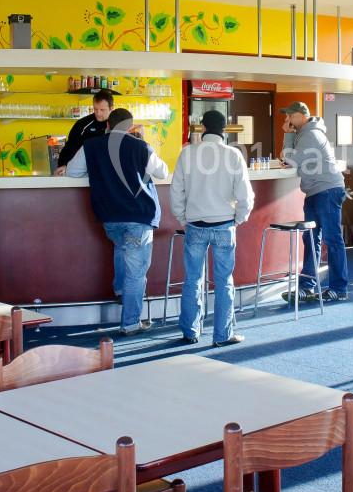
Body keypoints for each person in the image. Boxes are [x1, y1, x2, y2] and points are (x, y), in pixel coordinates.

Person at [66, 107, 169, 335]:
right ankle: (131, 323)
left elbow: (72, 172)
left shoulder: (91, 146)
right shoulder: (140, 146)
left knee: (121, 249)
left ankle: (122, 294)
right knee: (137, 272)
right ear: (130, 127)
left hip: (110, 218)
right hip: (137, 216)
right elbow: (163, 172)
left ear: (108, 125)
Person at [170, 109, 254, 347]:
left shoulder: (187, 154)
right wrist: (238, 219)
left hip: (195, 225)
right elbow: (245, 196)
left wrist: (182, 218)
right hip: (224, 225)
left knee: (192, 280)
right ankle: (222, 335)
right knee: (224, 281)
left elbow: (176, 191)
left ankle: (190, 332)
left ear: (203, 128)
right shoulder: (233, 155)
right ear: (224, 130)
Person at [280, 101, 349, 302]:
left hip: (327, 190)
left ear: (302, 115)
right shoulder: (304, 133)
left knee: (332, 239)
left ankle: (339, 288)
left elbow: (290, 159)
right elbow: (290, 157)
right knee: (311, 239)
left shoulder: (311, 134)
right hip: (316, 191)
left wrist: (287, 135)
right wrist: (290, 135)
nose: (287, 120)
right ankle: (307, 286)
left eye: (290, 116)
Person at [54, 88, 114, 175]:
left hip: (108, 172)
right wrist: (63, 165)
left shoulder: (116, 124)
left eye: (102, 110)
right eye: (95, 109)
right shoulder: (83, 124)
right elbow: (69, 147)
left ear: (111, 108)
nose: (98, 113)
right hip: (83, 173)